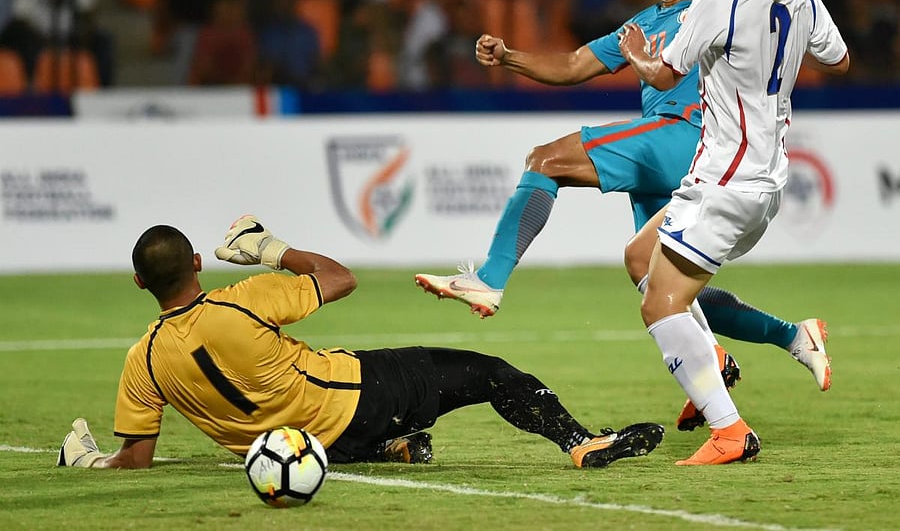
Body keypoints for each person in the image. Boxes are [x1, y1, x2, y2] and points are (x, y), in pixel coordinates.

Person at [413, 0, 833, 413]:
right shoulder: (642, 24)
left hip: (689, 138)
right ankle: (790, 337)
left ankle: (490, 280)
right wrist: (509, 57)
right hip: (674, 162)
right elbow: (571, 65)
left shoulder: (715, 5)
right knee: (664, 285)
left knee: (546, 159)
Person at [57, 215, 664, 470]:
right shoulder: (238, 300)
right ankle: (581, 443)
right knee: (490, 372)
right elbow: (339, 279)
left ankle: (392, 449)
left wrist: (89, 462)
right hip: (357, 397)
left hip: (301, 447)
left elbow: (133, 461)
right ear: (195, 260)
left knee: (400, 426)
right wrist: (270, 248)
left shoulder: (142, 361)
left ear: (140, 282)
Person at [616, 0, 849, 465]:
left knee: (659, 306)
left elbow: (664, 75)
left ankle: (729, 430)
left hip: (726, 182)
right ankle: (726, 355)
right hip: (761, 178)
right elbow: (839, 58)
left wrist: (638, 53)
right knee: (640, 258)